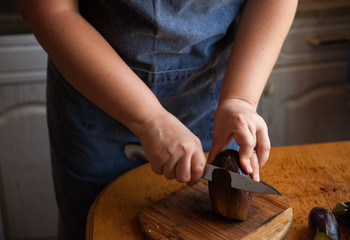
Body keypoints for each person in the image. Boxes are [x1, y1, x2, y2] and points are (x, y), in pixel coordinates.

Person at [16, 0, 298, 239]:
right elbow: (48, 9)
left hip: (216, 100)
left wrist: (241, 99)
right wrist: (148, 119)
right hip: (95, 99)